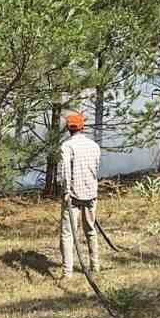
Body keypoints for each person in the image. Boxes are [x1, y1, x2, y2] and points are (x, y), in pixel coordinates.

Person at [57, 111, 102, 278]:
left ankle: (67, 272)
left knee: (68, 233)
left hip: (73, 197)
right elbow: (96, 169)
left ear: (68, 128)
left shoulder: (66, 146)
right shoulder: (94, 146)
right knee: (90, 230)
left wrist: (66, 191)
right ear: (83, 127)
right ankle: (95, 265)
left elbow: (65, 172)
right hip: (91, 194)